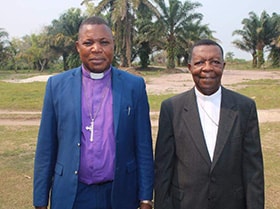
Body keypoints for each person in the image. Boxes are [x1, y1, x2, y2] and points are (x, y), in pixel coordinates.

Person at [33, 16, 154, 209]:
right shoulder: (56, 85)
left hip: (120, 193)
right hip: (72, 194)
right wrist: (40, 200)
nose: (96, 49)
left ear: (113, 46)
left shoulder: (134, 86)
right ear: (78, 47)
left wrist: (146, 197)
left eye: (104, 42)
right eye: (88, 43)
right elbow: (46, 147)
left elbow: (143, 146)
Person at [154, 39, 264, 209]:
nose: (207, 68)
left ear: (223, 66)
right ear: (190, 68)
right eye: (200, 62)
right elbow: (163, 168)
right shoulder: (172, 108)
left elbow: (253, 170)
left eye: (215, 62)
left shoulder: (244, 107)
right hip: (185, 204)